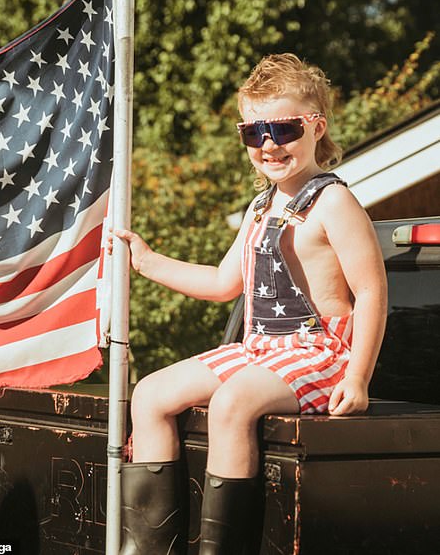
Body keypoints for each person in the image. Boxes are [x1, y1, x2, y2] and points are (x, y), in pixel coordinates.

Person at [112, 53, 388, 555]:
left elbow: (371, 292)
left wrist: (358, 379)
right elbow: (223, 283)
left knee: (232, 402)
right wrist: (147, 261)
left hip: (319, 353)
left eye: (282, 129)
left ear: (315, 127)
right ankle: (151, 547)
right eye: (253, 133)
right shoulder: (261, 205)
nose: (268, 144)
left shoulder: (333, 202)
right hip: (259, 349)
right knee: (149, 394)